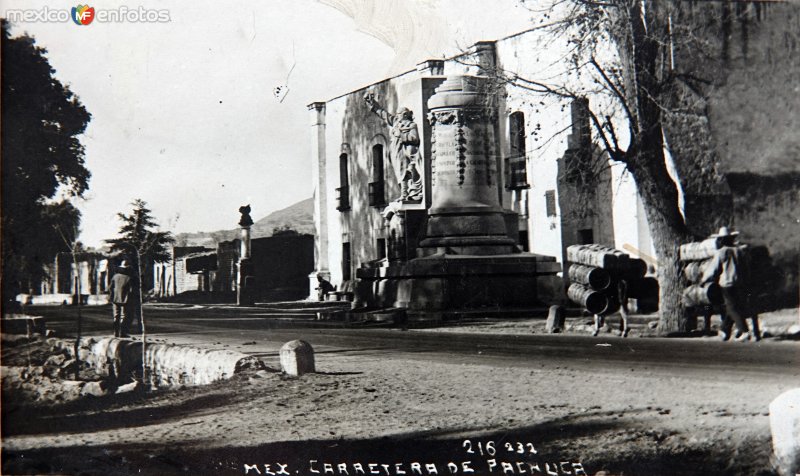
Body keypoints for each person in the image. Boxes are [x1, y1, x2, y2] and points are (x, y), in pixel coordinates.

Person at [701, 226, 760, 342]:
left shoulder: (721, 252)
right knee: (734, 306)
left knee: (731, 307)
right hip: (740, 283)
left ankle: (744, 331)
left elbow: (713, 269)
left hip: (727, 284)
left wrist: (704, 280)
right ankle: (724, 330)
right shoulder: (739, 251)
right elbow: (745, 267)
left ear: (722, 240)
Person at [364, 93, 423, 202]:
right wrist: (373, 104)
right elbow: (384, 114)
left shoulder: (411, 125)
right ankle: (404, 193)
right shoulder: (396, 122)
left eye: (399, 114)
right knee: (398, 173)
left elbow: (415, 138)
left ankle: (405, 194)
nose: (397, 116)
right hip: (395, 152)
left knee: (403, 172)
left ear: (405, 114)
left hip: (403, 151)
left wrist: (401, 135)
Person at [109, 260, 135, 338]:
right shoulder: (129, 278)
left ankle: (116, 333)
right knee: (124, 316)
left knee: (116, 316)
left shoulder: (115, 276)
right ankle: (122, 333)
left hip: (115, 299)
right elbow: (131, 290)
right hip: (125, 300)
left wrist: (112, 296)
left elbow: (110, 288)